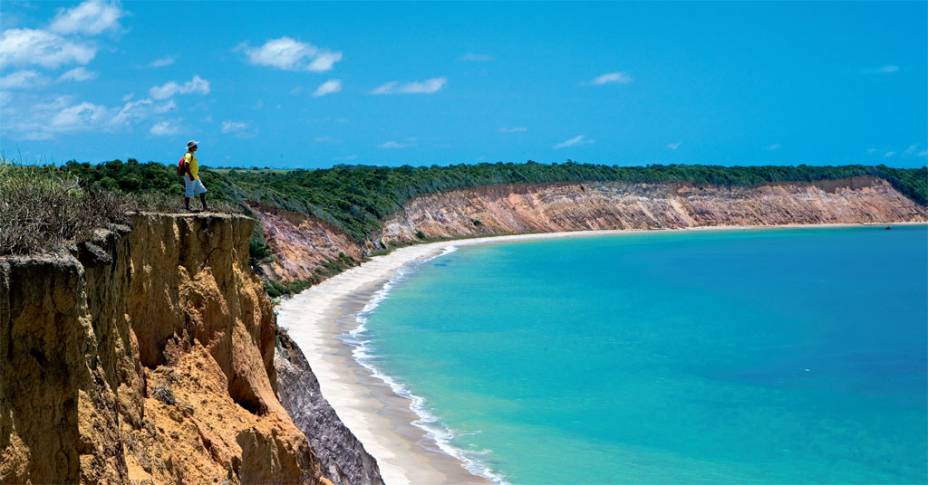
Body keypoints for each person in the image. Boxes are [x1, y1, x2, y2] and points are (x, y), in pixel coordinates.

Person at [183, 140, 208, 212]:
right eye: (195, 146)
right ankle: (187, 208)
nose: (197, 147)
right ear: (192, 147)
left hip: (195, 176)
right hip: (189, 176)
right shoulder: (188, 155)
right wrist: (190, 175)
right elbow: (186, 165)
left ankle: (205, 207)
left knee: (202, 190)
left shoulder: (192, 154)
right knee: (189, 191)